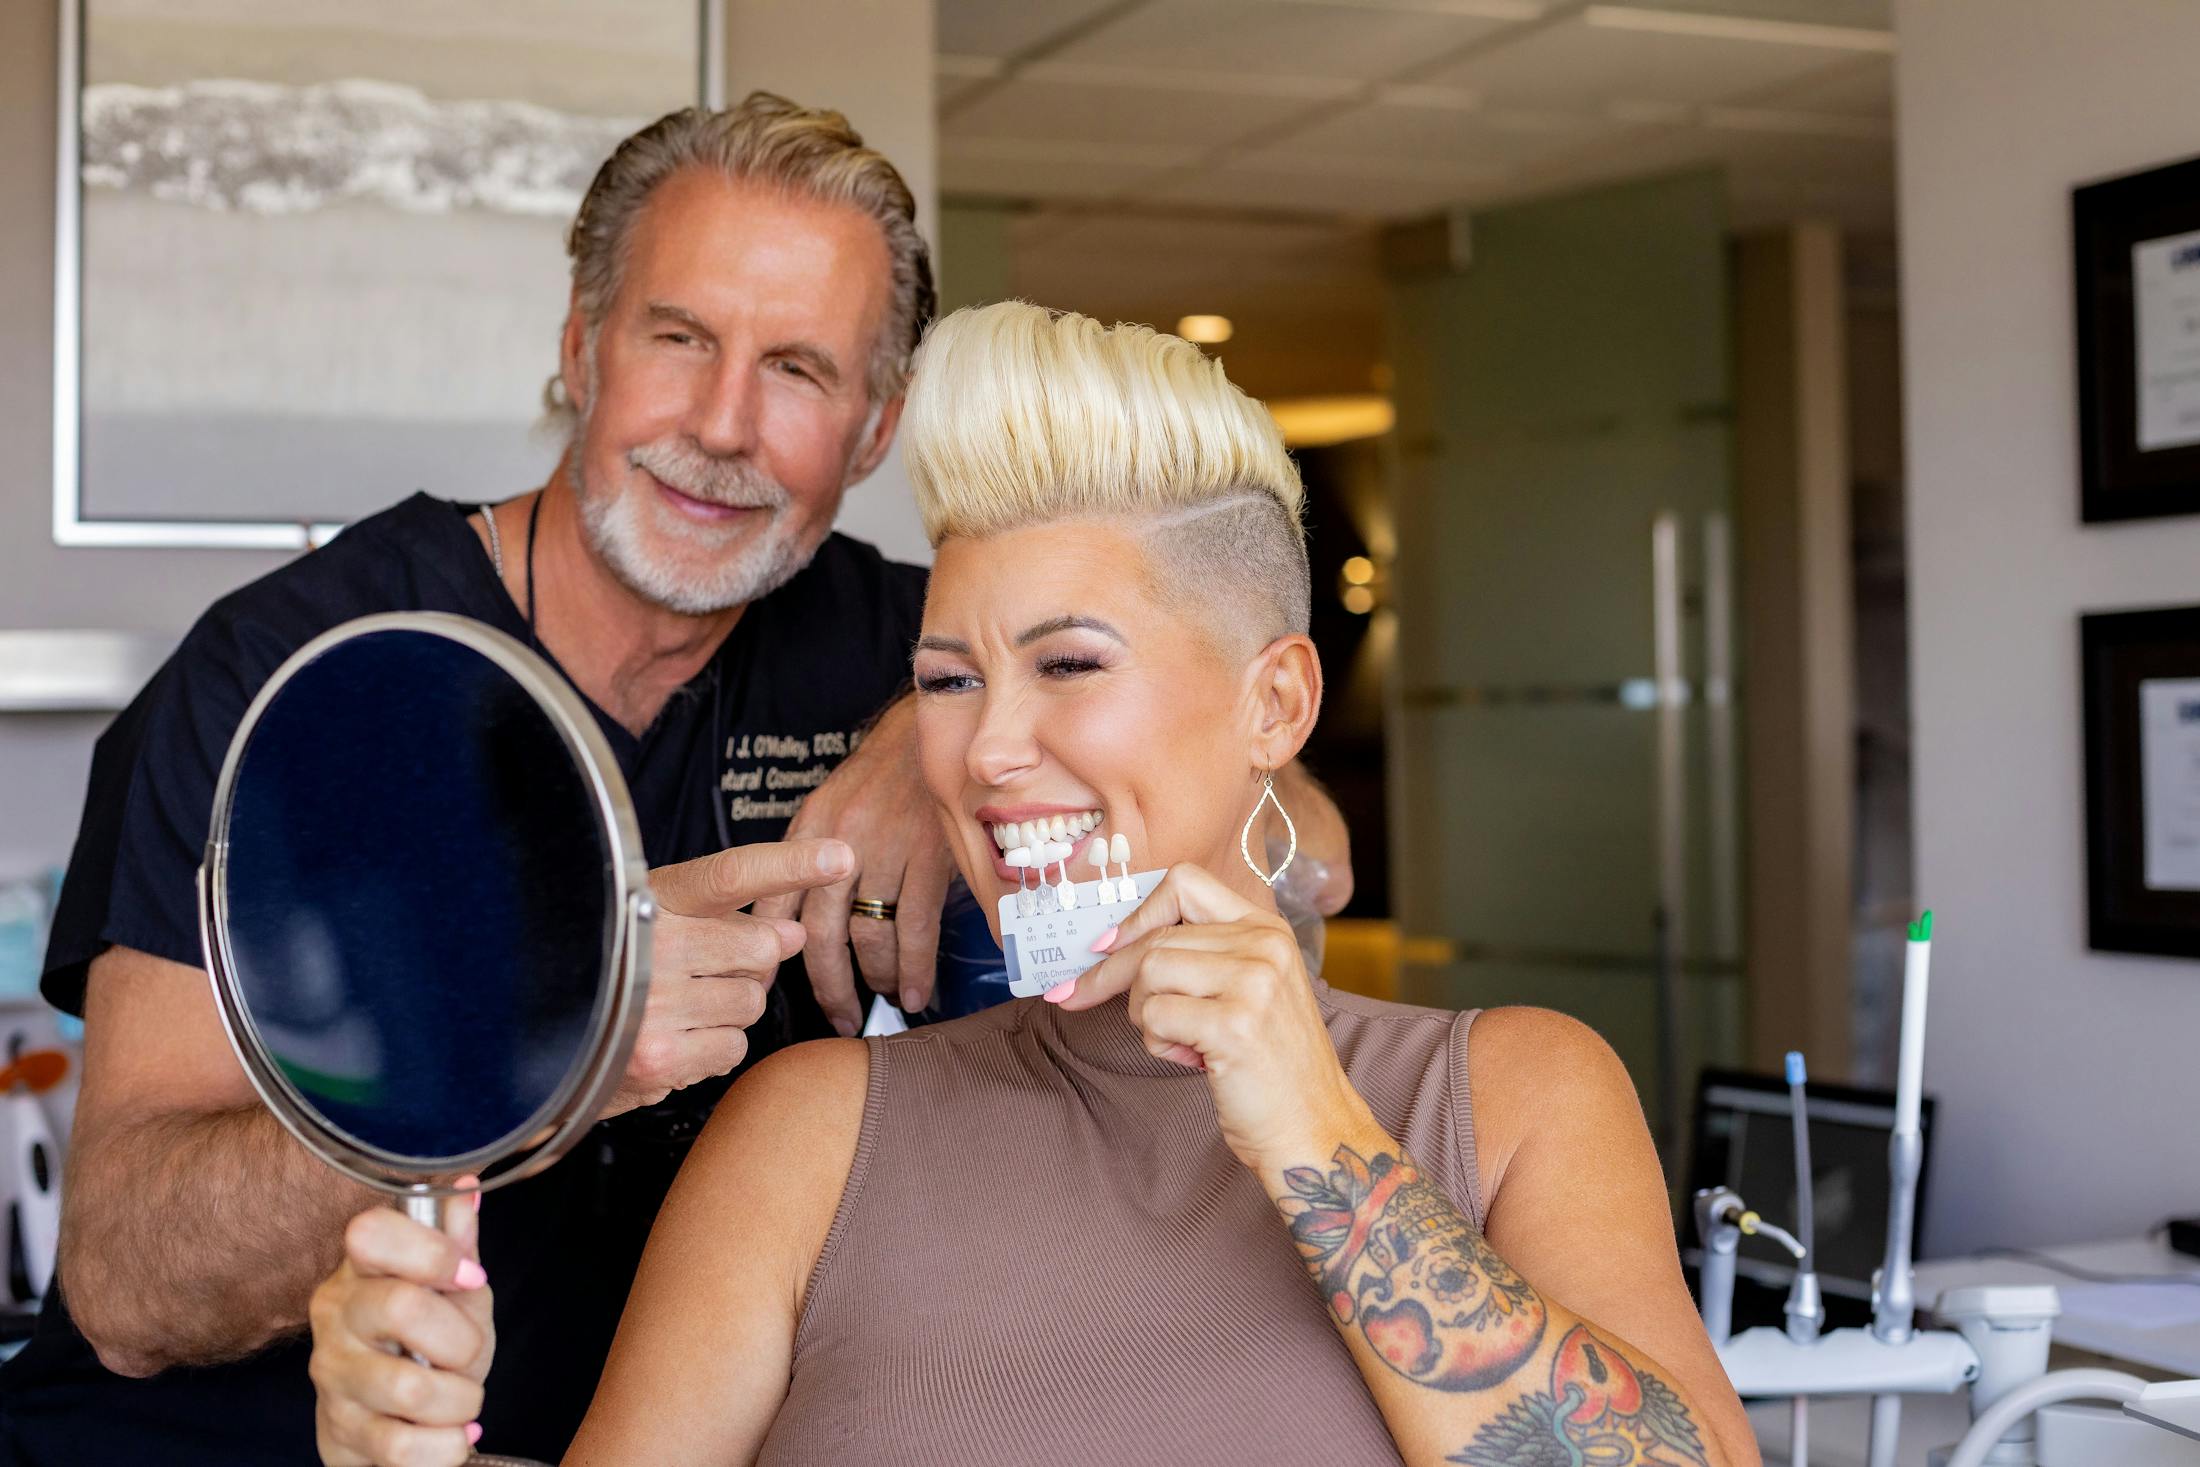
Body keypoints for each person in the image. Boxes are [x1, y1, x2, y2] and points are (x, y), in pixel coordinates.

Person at [306, 301, 1756, 1467]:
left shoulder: (1512, 1100)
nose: (989, 750)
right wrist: (414, 1459)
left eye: (1069, 665)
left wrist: (1316, 1134)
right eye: (946, 680)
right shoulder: (809, 1135)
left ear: (1277, 705)